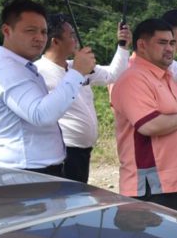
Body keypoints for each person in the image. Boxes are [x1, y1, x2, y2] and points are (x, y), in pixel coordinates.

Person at [0, 0, 96, 176]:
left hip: (36, 170)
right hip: (25, 173)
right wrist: (77, 72)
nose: (40, 38)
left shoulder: (22, 67)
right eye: (30, 31)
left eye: (44, 31)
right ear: (7, 30)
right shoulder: (7, 70)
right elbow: (41, 114)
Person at [111, 18, 177, 212]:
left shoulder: (166, 77)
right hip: (150, 187)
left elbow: (175, 115)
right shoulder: (134, 78)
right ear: (142, 45)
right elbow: (148, 125)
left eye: (172, 43)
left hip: (170, 185)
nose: (169, 49)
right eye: (162, 43)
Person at [34, 15, 130, 183]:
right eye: (71, 35)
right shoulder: (38, 72)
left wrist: (122, 46)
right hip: (62, 153)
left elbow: (113, 74)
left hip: (83, 152)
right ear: (55, 41)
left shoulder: (77, 66)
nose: (75, 39)